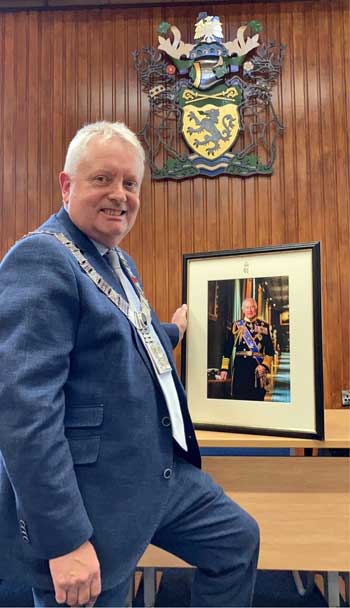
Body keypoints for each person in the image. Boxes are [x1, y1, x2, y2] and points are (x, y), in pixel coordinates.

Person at [0, 121, 259, 608]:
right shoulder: (41, 257)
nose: (119, 194)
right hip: (91, 503)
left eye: (130, 183)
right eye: (103, 179)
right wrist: (65, 540)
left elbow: (125, 345)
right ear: (66, 185)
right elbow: (23, 412)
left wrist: (175, 330)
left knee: (236, 541)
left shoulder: (119, 261)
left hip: (157, 474)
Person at [220, 298, 274, 401]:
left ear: (256, 308)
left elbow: (270, 351)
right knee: (239, 398)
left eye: (252, 307)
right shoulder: (236, 325)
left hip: (257, 370)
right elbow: (227, 349)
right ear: (243, 309)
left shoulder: (264, 326)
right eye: (247, 307)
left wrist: (264, 366)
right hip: (241, 368)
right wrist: (224, 369)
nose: (250, 310)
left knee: (257, 399)